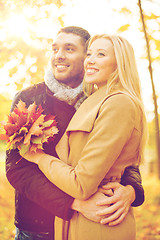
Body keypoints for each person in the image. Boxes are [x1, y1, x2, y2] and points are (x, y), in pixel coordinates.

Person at [6, 27, 144, 240]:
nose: (59, 55)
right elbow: (17, 169)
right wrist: (74, 204)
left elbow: (123, 158)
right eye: (55, 49)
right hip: (37, 226)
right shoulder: (29, 97)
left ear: (83, 57)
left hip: (88, 223)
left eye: (69, 49)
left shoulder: (102, 100)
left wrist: (131, 189)